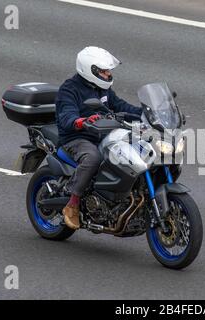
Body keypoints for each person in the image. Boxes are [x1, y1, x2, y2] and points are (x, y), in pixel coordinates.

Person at [55, 46, 142, 230]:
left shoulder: (103, 90)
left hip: (103, 133)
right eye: (103, 71)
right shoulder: (69, 89)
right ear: (90, 70)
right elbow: (66, 117)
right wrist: (82, 121)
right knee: (93, 158)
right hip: (77, 138)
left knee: (131, 153)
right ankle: (73, 203)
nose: (108, 74)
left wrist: (147, 114)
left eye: (108, 70)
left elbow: (121, 107)